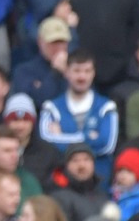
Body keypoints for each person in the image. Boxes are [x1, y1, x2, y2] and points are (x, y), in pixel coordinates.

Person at [38, 50, 120, 181]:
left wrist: (61, 137)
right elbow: (47, 143)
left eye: (87, 71)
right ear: (66, 73)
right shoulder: (51, 107)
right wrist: (88, 137)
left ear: (93, 74)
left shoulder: (107, 106)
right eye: (76, 71)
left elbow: (107, 146)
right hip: (63, 180)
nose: (82, 77)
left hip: (99, 181)